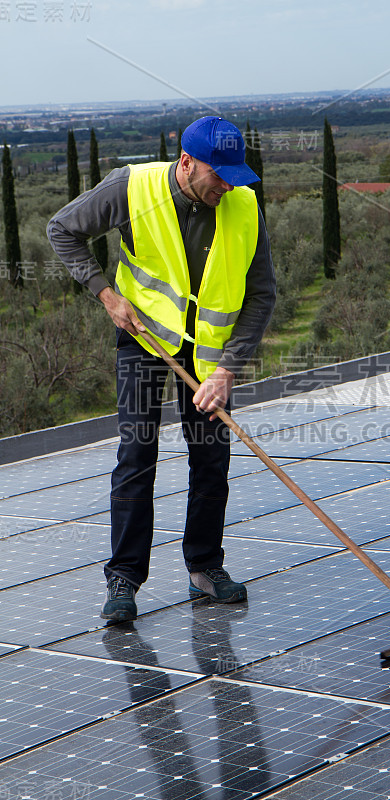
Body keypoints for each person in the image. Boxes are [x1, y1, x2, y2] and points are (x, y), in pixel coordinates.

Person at [47, 116, 276, 621]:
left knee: (211, 461)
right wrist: (106, 295)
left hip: (211, 358)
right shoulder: (132, 187)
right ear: (186, 162)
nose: (228, 185)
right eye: (219, 174)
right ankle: (124, 579)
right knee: (136, 457)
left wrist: (228, 369)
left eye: (236, 174)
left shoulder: (244, 204)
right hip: (143, 341)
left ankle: (204, 569)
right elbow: (61, 229)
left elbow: (262, 294)